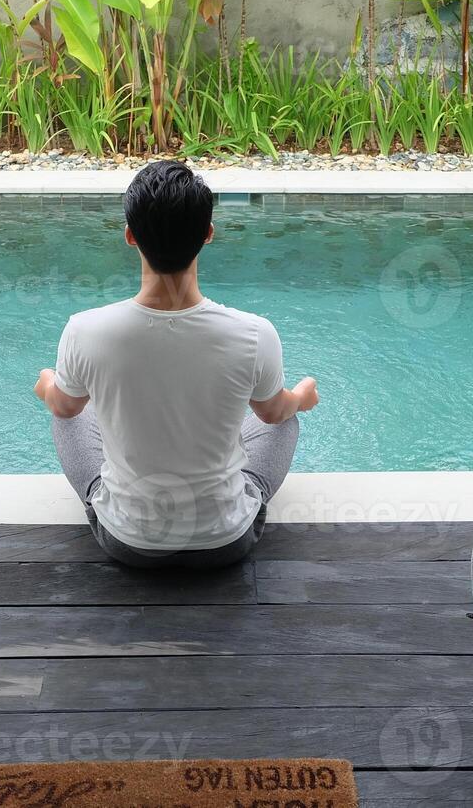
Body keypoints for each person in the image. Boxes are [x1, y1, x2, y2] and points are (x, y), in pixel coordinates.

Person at [33, 160, 319, 568]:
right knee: (283, 415)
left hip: (127, 541)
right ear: (208, 233)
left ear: (130, 236)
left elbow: (63, 407)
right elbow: (273, 414)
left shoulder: (86, 331)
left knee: (69, 410)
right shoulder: (255, 334)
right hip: (226, 542)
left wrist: (46, 383)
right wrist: (301, 398)